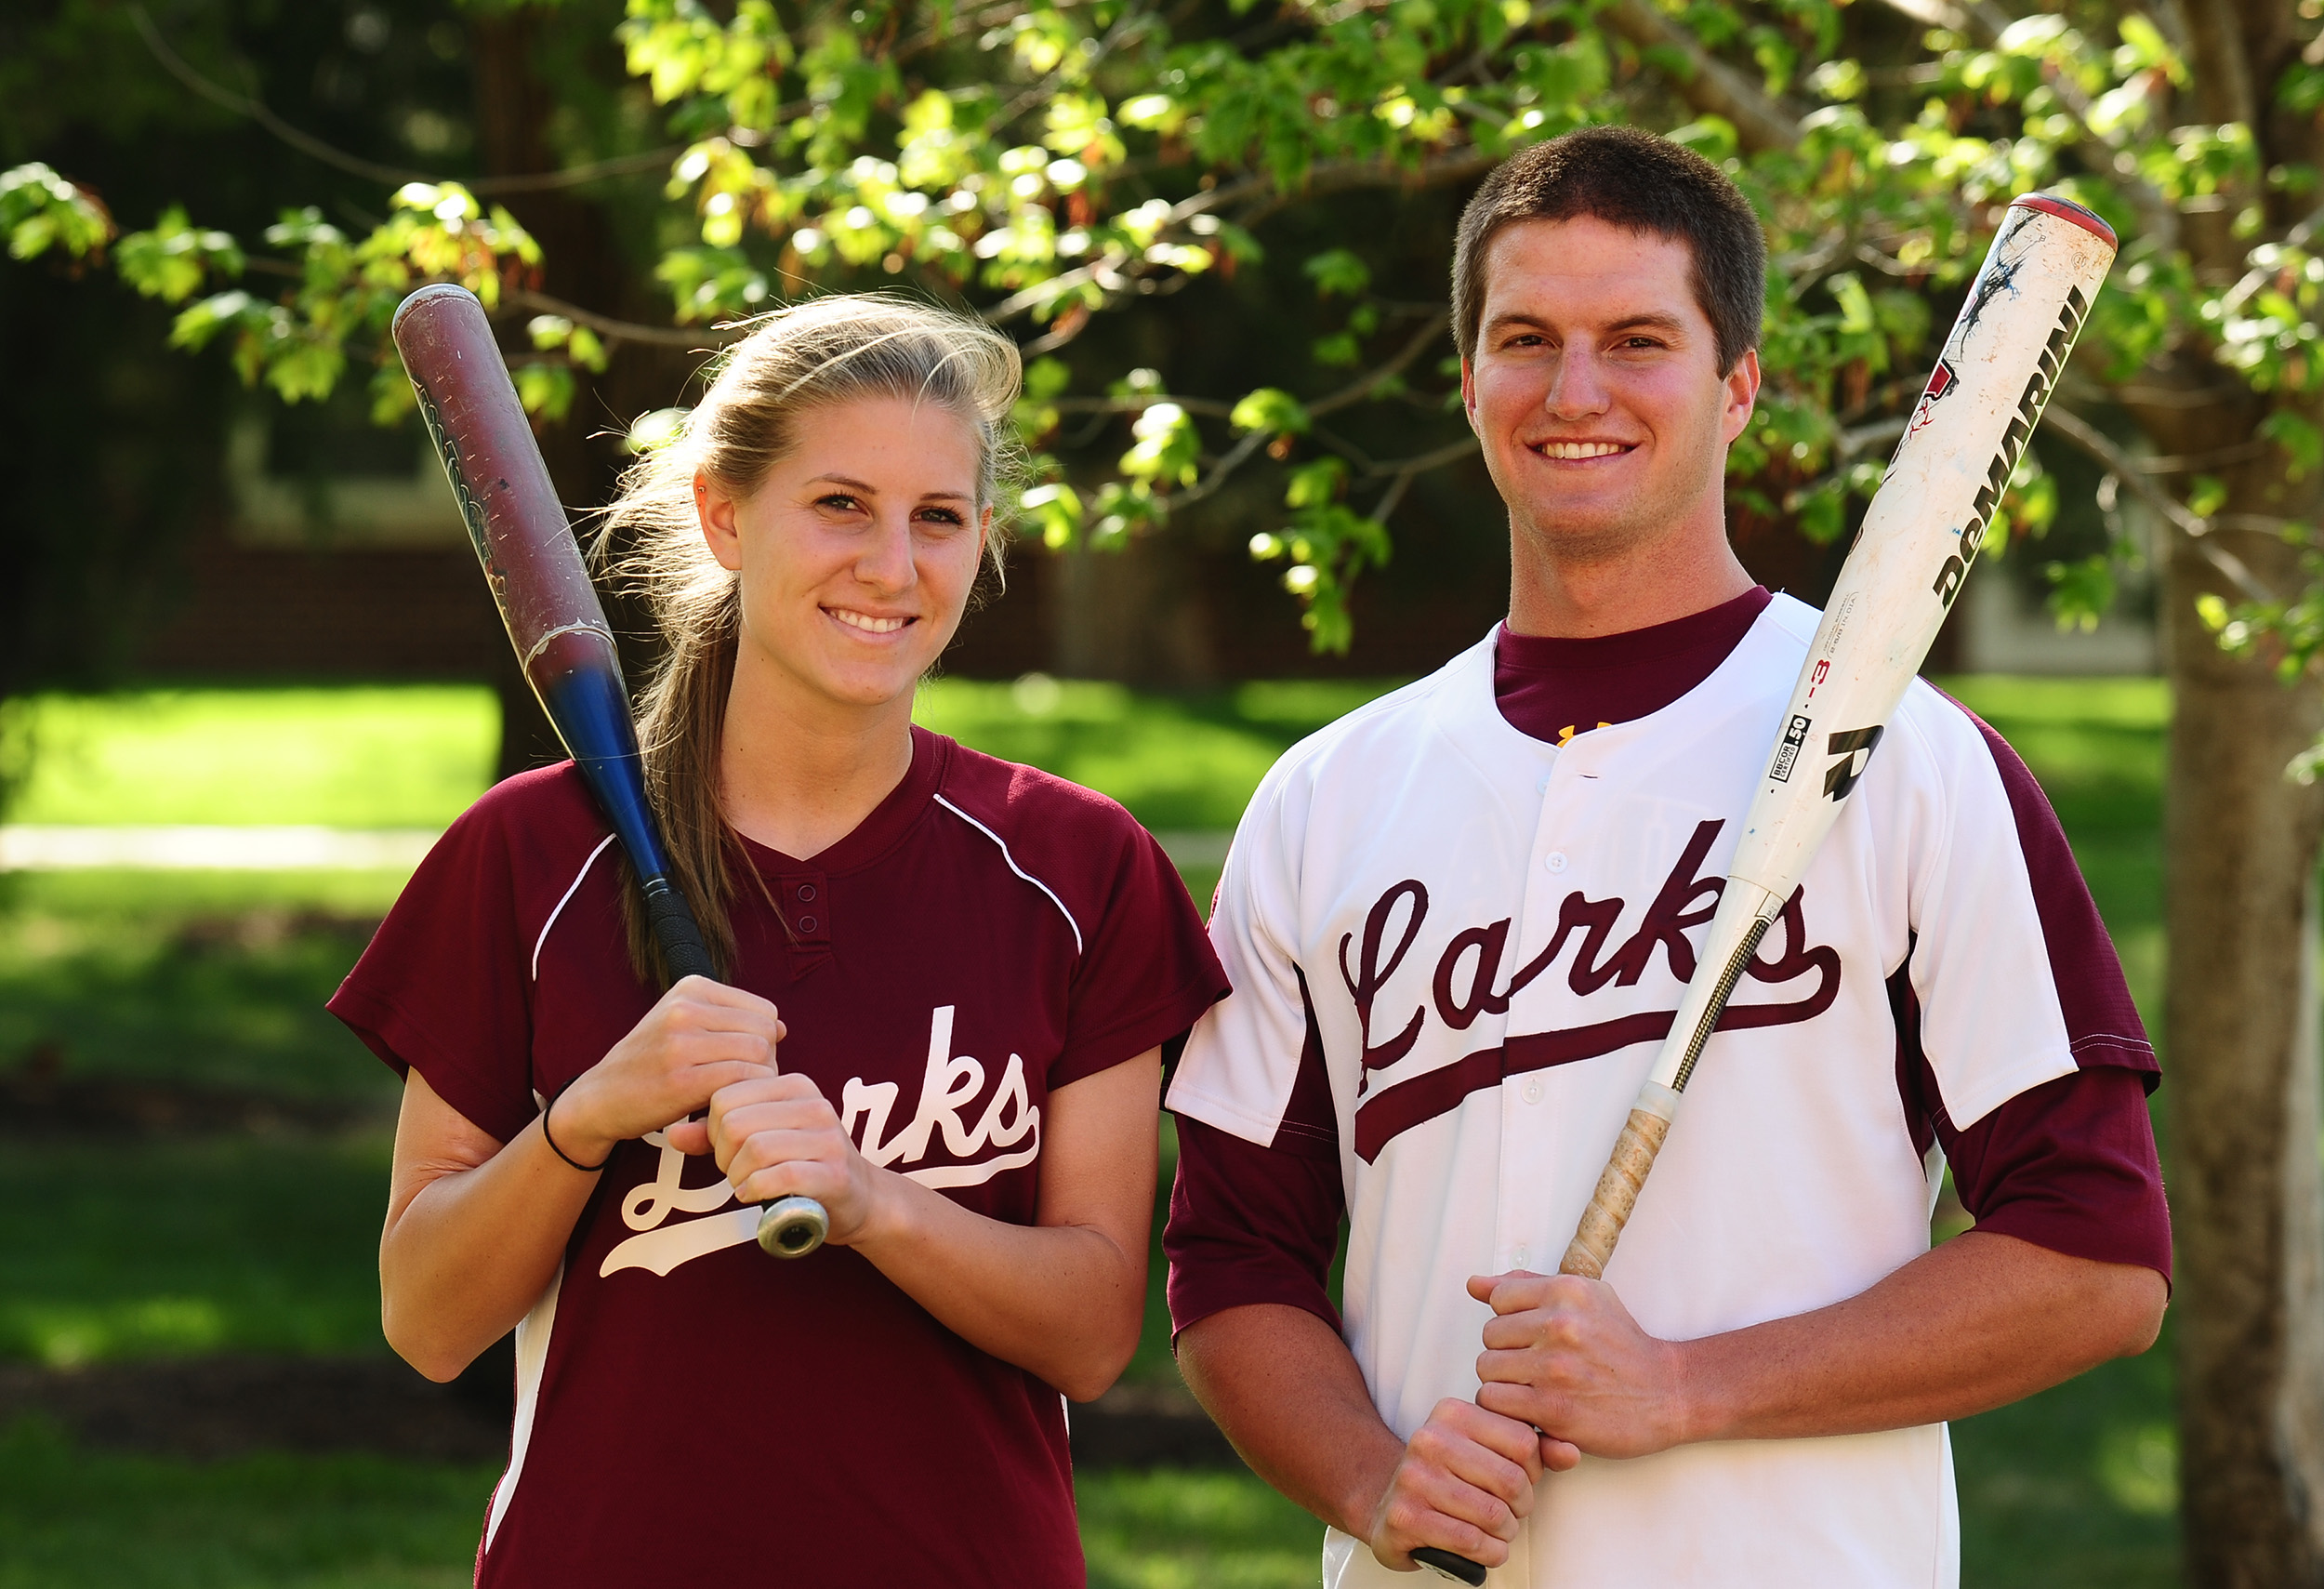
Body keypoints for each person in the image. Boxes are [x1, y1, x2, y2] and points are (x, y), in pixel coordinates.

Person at [1161, 126, 2171, 1587]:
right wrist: (1373, 1476)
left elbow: (2098, 1259)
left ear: (1737, 385)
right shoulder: (1328, 799)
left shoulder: (1910, 759)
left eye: (1638, 339)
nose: (1577, 392)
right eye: (1527, 340)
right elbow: (1234, 1261)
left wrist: (1688, 1383)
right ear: (1470, 378)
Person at [329, 296, 1228, 1587]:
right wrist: (589, 1118)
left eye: (938, 518)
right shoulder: (530, 855)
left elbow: (1093, 1330)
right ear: (724, 516)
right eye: (841, 504)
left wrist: (872, 1202)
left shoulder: (1077, 867)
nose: (892, 565)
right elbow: (424, 1317)